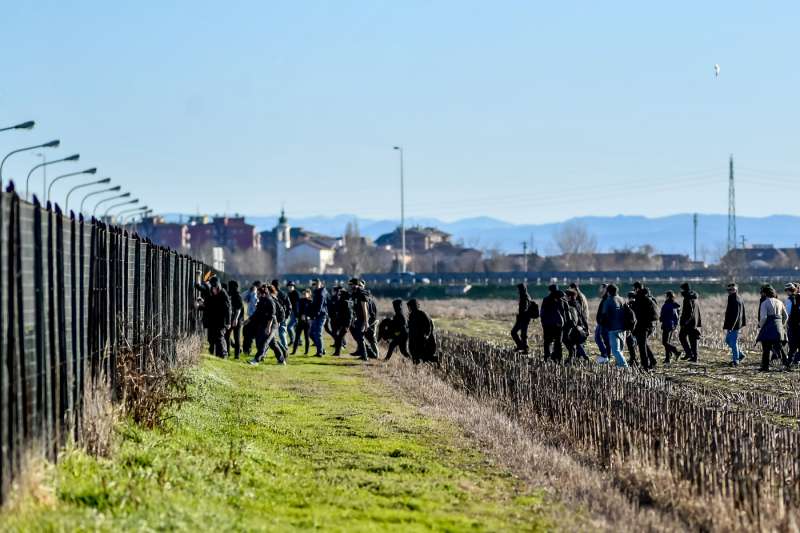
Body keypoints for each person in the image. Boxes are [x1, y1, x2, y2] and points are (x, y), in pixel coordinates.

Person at [249, 285, 287, 365]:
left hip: (272, 325)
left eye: (258, 294)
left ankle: (256, 360)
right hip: (266, 324)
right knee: (273, 344)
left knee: (265, 342)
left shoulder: (270, 301)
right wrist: (248, 320)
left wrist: (268, 327)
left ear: (263, 294)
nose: (257, 295)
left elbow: (272, 315)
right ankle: (281, 360)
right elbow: (257, 313)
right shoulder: (261, 301)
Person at [756, 284, 788, 372]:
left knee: (766, 348)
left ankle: (765, 367)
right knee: (779, 347)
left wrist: (762, 326)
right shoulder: (779, 302)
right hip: (779, 327)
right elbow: (786, 316)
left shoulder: (764, 303)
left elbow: (764, 318)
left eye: (762, 293)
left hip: (768, 328)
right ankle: (786, 364)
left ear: (765, 294)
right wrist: (782, 325)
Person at [198, 276, 231, 358]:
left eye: (215, 288)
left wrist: (228, 322)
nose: (213, 290)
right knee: (211, 338)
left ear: (218, 287)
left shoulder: (223, 294)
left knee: (219, 337)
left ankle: (223, 354)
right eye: (212, 288)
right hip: (213, 320)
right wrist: (201, 303)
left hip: (221, 321)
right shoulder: (212, 294)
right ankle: (215, 353)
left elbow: (228, 309)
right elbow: (210, 305)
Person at [599, 284, 628, 368]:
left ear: (608, 292)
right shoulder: (622, 299)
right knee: (620, 350)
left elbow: (604, 315)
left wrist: (603, 326)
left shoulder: (608, 301)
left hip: (613, 329)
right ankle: (619, 365)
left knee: (615, 351)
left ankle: (624, 366)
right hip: (623, 328)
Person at [632, 285, 658, 370]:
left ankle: (645, 366)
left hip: (644, 326)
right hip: (650, 325)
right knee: (643, 344)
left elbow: (638, 315)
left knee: (642, 347)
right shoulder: (650, 299)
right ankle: (653, 361)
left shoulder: (641, 300)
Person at [540, 284, 568, 362]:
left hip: (547, 325)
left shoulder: (546, 299)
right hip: (558, 325)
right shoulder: (561, 300)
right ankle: (558, 358)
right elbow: (564, 313)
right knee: (558, 342)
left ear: (549, 291)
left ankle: (547, 357)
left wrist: (543, 322)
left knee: (547, 342)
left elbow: (542, 312)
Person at [349, 278, 373, 360]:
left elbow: (365, 309)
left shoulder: (362, 294)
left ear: (356, 284)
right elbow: (355, 308)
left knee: (359, 335)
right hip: (358, 317)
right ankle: (368, 352)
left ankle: (365, 355)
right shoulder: (354, 294)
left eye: (351, 285)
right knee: (354, 332)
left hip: (364, 318)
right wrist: (353, 319)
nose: (350, 286)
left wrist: (366, 322)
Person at [723, 283, 747, 366]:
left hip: (734, 326)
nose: (730, 291)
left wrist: (732, 326)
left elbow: (736, 314)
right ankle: (740, 355)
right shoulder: (733, 298)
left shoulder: (735, 299)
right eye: (728, 290)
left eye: (732, 290)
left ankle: (736, 360)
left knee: (733, 342)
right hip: (733, 325)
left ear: (736, 290)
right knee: (728, 340)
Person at [407, 299, 437, 364]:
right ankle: (416, 369)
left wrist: (427, 335)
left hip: (424, 341)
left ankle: (436, 361)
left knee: (425, 357)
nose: (409, 309)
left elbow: (429, 326)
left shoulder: (422, 314)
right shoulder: (411, 315)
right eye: (409, 307)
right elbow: (410, 327)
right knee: (415, 356)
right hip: (415, 342)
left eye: (410, 307)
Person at [511, 283, 539, 354]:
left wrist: (522, 312)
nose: (518, 290)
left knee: (514, 332)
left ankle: (521, 346)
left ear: (521, 289)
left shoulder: (524, 296)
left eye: (518, 289)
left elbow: (524, 308)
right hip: (525, 318)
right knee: (523, 334)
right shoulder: (526, 295)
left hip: (523, 318)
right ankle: (524, 348)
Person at [678, 283, 702, 362]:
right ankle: (694, 357)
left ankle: (690, 354)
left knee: (682, 336)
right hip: (695, 321)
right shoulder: (694, 297)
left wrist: (684, 322)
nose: (680, 291)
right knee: (693, 340)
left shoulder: (687, 298)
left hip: (689, 323)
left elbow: (689, 312)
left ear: (684, 289)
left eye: (681, 289)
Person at [564, 289, 589, 362]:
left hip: (575, 327)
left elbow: (573, 319)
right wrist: (586, 328)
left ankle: (581, 357)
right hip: (580, 327)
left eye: (566, 295)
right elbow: (583, 316)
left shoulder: (570, 305)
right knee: (577, 344)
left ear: (569, 297)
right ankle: (582, 357)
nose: (564, 297)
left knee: (573, 343)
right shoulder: (577, 303)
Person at [659, 291, 682, 364]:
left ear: (668, 296)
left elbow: (663, 316)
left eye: (666, 295)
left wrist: (661, 319)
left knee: (665, 342)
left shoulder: (666, 305)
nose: (665, 297)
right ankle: (667, 359)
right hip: (672, 326)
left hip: (667, 325)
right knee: (667, 342)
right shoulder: (676, 305)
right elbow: (677, 317)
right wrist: (675, 325)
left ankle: (676, 351)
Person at [330, 288, 353, 356]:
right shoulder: (340, 302)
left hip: (345, 323)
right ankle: (337, 352)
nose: (339, 296)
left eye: (340, 295)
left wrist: (347, 325)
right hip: (340, 322)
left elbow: (350, 315)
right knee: (337, 336)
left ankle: (337, 352)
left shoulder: (346, 303)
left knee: (339, 337)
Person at [308, 279, 329, 356]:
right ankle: (322, 349)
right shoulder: (316, 292)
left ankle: (319, 352)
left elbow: (320, 306)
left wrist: (314, 315)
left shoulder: (321, 292)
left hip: (321, 315)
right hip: (316, 315)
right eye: (313, 284)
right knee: (311, 333)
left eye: (316, 284)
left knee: (318, 333)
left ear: (320, 284)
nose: (314, 285)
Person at [241, 280, 261, 356]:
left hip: (257, 318)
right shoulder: (251, 293)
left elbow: (255, 302)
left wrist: (254, 292)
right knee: (246, 333)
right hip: (250, 318)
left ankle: (260, 353)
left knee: (257, 337)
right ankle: (246, 351)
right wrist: (249, 290)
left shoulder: (259, 294)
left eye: (255, 286)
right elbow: (242, 297)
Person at [271, 279, 291, 351]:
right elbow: (289, 306)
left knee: (272, 335)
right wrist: (287, 316)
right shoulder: (284, 294)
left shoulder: (272, 294)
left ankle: (265, 352)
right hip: (283, 316)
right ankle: (285, 349)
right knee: (282, 333)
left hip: (275, 317)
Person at [291, 288, 312, 355]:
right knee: (297, 337)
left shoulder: (311, 302)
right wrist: (298, 316)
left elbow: (311, 311)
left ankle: (306, 351)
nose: (304, 294)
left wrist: (306, 316)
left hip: (307, 322)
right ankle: (294, 351)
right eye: (303, 293)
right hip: (300, 321)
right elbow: (297, 310)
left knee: (306, 337)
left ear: (309, 294)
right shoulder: (300, 301)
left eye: (305, 293)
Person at [362, 280, 380, 359]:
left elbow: (372, 312)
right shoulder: (368, 297)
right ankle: (369, 354)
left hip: (372, 321)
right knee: (369, 338)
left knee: (372, 339)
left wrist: (370, 323)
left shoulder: (368, 299)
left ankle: (376, 355)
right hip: (371, 320)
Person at [227, 280, 244, 359]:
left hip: (237, 320)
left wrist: (235, 319)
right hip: (231, 319)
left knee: (236, 337)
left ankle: (237, 355)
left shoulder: (237, 296)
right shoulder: (230, 295)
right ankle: (227, 352)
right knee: (226, 336)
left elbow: (239, 309)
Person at [784, 283, 800, 366]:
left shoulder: (789, 300)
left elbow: (787, 313)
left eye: (786, 290)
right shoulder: (799, 297)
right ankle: (795, 361)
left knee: (792, 346)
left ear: (789, 290)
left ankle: (789, 363)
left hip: (793, 325)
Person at [594, 284, 610, 360]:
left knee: (604, 339)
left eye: (601, 289)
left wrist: (602, 321)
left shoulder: (607, 298)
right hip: (601, 323)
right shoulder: (604, 298)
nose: (599, 290)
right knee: (597, 337)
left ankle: (606, 354)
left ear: (605, 289)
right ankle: (605, 353)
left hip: (603, 323)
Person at [624, 291, 639, 365]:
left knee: (631, 345)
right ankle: (633, 359)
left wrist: (629, 329)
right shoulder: (639, 304)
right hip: (638, 327)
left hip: (632, 328)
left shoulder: (630, 305)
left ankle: (633, 360)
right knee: (634, 344)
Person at [286, 281, 299, 346]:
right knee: (296, 328)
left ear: (294, 287)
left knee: (289, 327)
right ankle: (299, 341)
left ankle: (292, 340)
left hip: (296, 313)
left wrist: (297, 314)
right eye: (289, 286)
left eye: (291, 286)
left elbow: (298, 305)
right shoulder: (289, 294)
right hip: (292, 313)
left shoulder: (296, 294)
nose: (290, 288)